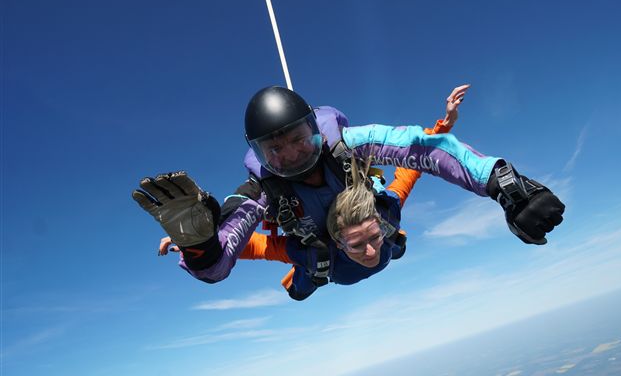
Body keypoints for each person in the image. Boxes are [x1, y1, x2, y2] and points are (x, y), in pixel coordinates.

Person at [133, 84, 565, 288]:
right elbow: (236, 248)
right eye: (274, 149)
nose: (291, 155)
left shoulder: (348, 147)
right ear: (259, 154)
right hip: (319, 259)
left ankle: (325, 270)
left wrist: (505, 185)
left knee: (384, 232)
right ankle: (304, 282)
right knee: (308, 268)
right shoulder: (264, 191)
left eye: (297, 139)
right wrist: (199, 243)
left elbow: (420, 152)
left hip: (345, 242)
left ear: (313, 129)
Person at [155, 86, 467, 299]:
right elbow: (255, 245)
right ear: (339, 242)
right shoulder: (312, 251)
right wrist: (198, 242)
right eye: (358, 243)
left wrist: (444, 125)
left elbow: (411, 167)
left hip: (346, 255)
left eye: (373, 237)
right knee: (304, 282)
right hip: (322, 265)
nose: (370, 251)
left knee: (393, 240)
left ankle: (392, 244)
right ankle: (309, 281)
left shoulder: (385, 218)